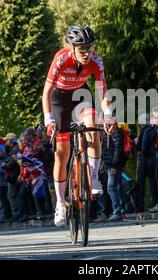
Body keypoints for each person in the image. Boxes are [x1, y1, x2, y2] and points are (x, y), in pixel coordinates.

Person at [42, 25, 112, 226]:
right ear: (70, 47)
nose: (87, 53)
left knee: (92, 128)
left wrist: (108, 115)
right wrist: (49, 119)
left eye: (90, 48)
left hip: (81, 95)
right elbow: (46, 92)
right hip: (60, 100)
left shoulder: (96, 61)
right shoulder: (61, 58)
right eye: (82, 49)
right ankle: (61, 204)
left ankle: (93, 177)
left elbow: (102, 91)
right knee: (62, 153)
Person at [102, 122, 127, 221]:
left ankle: (117, 212)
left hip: (114, 165)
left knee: (111, 187)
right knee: (118, 187)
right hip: (110, 164)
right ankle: (121, 211)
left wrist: (114, 166)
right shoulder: (110, 131)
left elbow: (118, 149)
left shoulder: (116, 132)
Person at [136, 113, 158, 212]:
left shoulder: (146, 130)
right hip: (153, 159)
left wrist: (138, 146)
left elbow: (143, 147)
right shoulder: (154, 130)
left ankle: (140, 206)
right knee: (153, 182)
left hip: (145, 160)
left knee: (141, 183)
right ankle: (155, 202)